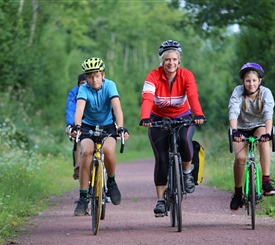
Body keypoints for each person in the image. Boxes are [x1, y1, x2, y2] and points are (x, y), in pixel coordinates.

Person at [139, 40, 206, 216]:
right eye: (167, 59)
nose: (171, 63)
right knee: (161, 158)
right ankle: (161, 200)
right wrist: (145, 117)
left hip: (182, 117)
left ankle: (186, 173)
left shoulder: (187, 76)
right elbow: (147, 98)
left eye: (174, 59)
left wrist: (198, 114)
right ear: (162, 61)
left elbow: (192, 95)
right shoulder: (152, 76)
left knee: (185, 140)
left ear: (179, 60)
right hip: (158, 119)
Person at [71, 57, 129, 216]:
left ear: (102, 75)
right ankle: (83, 197)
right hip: (88, 126)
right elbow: (79, 110)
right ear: (86, 78)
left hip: (108, 125)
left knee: (109, 150)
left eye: (96, 75)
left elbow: (117, 107)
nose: (93, 79)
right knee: (86, 153)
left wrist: (121, 127)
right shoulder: (83, 89)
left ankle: (111, 182)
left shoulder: (110, 85)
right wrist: (77, 125)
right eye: (89, 77)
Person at [228, 62, 275, 211]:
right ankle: (237, 193)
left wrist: (268, 133)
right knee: (241, 158)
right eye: (248, 81)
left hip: (259, 127)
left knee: (263, 141)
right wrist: (234, 130)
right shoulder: (238, 92)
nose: (251, 84)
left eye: (254, 81)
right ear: (243, 81)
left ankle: (266, 181)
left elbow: (268, 112)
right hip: (240, 128)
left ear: (259, 81)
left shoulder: (265, 93)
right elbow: (233, 110)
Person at [65, 73, 87, 180]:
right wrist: (70, 124)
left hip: (95, 120)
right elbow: (70, 109)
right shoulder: (74, 93)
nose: (84, 86)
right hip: (80, 121)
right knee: (79, 139)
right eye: (81, 84)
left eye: (86, 83)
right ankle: (78, 167)